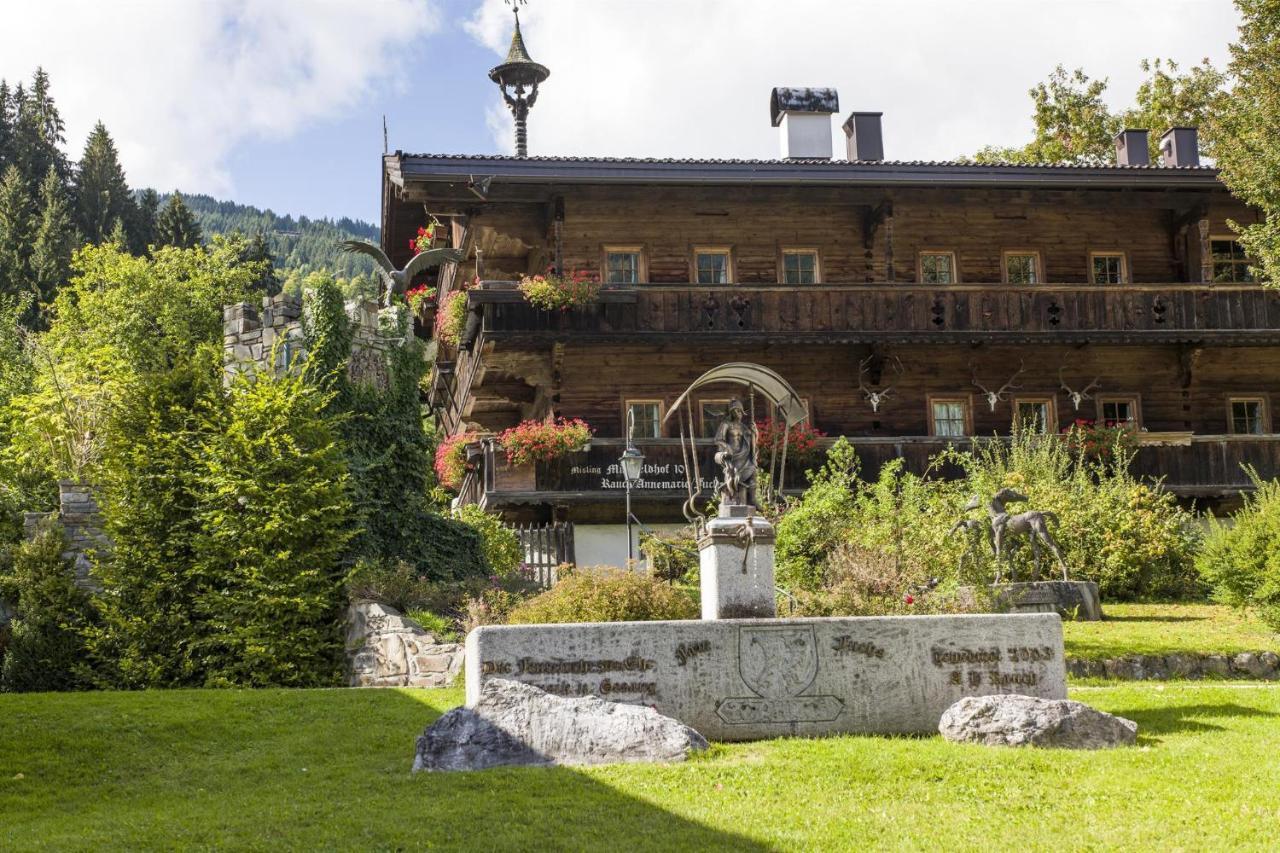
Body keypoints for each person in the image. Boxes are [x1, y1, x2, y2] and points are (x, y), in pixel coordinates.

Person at [714, 398, 757, 507]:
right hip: (731, 457)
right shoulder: (726, 424)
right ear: (732, 412)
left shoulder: (743, 427)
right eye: (737, 411)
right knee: (734, 476)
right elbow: (718, 439)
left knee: (753, 471)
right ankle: (733, 497)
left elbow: (752, 442)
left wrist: (754, 432)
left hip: (743, 455)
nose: (739, 414)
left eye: (740, 411)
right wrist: (726, 446)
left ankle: (752, 499)